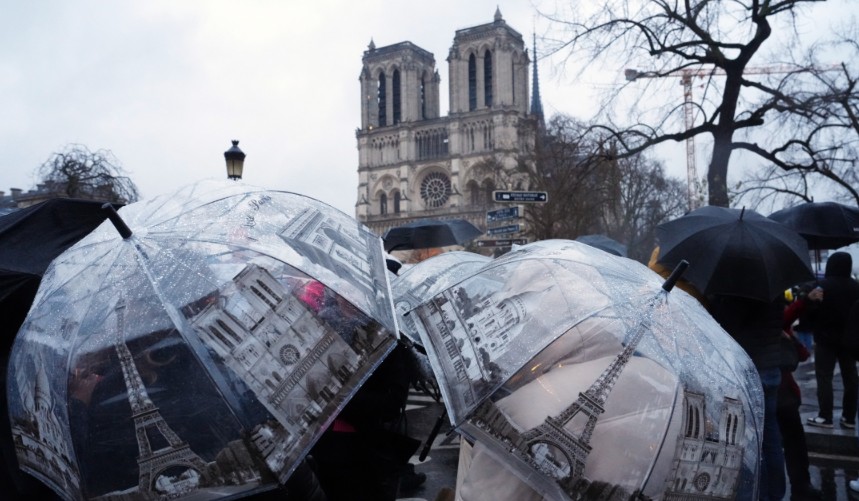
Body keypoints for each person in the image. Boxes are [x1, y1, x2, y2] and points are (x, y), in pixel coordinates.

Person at [708, 294, 788, 501]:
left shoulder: (739, 291)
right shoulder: (774, 288)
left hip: (748, 370)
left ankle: (758, 494)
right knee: (770, 436)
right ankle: (776, 492)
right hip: (771, 369)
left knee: (748, 440)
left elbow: (726, 325)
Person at [804, 252, 859, 429]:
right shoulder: (856, 287)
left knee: (824, 377)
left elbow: (811, 312)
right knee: (850, 378)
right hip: (850, 339)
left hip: (825, 338)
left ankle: (825, 416)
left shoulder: (822, 286)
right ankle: (849, 417)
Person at [780, 297, 822, 500]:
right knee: (792, 441)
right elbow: (802, 353)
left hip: (777, 388)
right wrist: (804, 301)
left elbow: (802, 353)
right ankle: (799, 486)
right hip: (780, 388)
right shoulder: (769, 310)